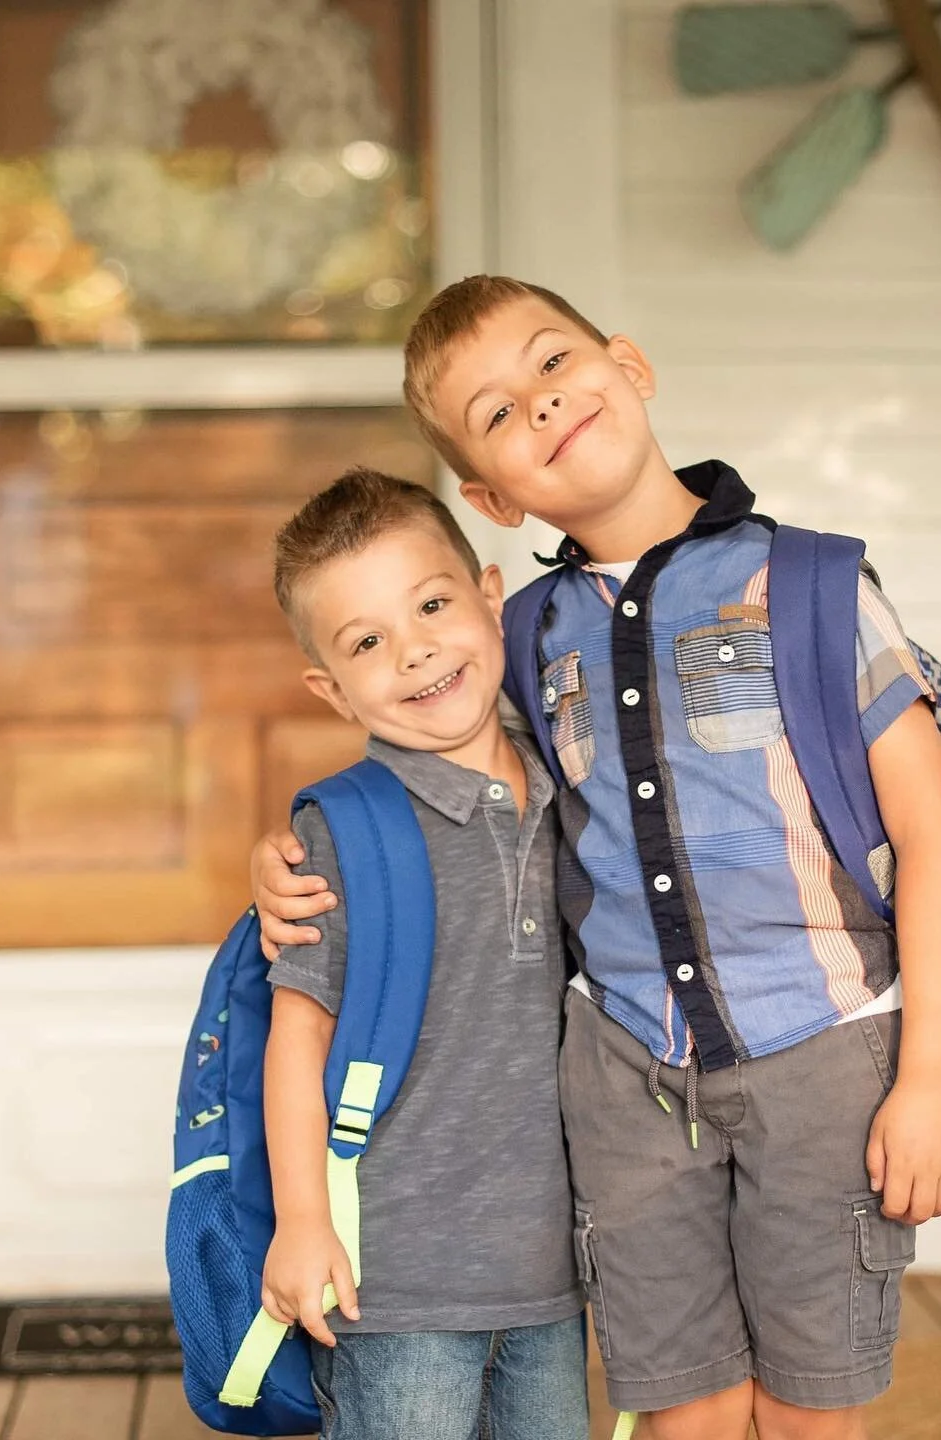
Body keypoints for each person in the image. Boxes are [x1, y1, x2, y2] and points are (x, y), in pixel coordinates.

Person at [255, 278, 941, 1440]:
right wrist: (279, 853)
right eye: (496, 415)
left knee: (806, 1414)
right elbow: (449, 778)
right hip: (631, 1085)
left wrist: (932, 1075)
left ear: (629, 365)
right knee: (685, 1413)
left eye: (552, 367)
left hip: (823, 1052)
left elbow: (933, 836)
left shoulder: (808, 586)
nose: (540, 407)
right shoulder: (526, 633)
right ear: (492, 500)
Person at [261, 466, 587, 1440]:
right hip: (391, 1283)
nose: (415, 652)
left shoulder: (575, 775)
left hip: (550, 1280)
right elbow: (295, 1044)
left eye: (433, 605)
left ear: (490, 597)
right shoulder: (342, 832)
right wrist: (302, 1223)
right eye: (368, 643)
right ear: (331, 688)